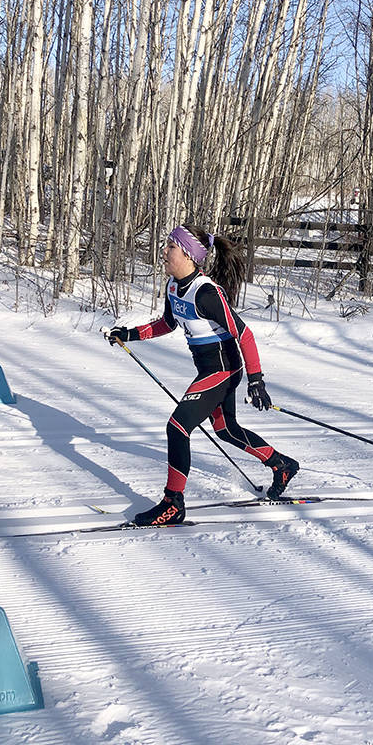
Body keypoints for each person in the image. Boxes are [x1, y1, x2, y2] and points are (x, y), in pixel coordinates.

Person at [104, 224, 299, 526]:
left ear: (188, 254)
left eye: (170, 247)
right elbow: (168, 324)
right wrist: (128, 333)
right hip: (208, 369)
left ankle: (173, 503)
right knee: (226, 430)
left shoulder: (206, 292)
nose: (164, 252)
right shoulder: (173, 286)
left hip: (223, 370)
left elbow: (244, 335)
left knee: (177, 427)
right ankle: (281, 464)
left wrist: (256, 380)